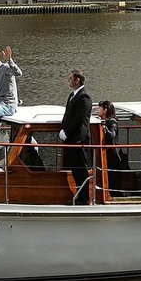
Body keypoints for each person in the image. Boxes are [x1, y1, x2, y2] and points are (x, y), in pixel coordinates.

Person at [59, 69, 92, 200]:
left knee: (81, 169)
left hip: (79, 140)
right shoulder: (72, 96)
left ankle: (84, 197)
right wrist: (62, 129)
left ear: (77, 80)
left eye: (70, 78)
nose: (68, 81)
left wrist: (67, 132)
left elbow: (79, 119)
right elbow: (68, 116)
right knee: (74, 169)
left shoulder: (84, 98)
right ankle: (79, 194)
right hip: (71, 139)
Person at [97, 99, 131, 193]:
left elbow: (111, 135)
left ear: (105, 110)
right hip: (109, 155)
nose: (97, 110)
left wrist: (103, 127)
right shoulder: (106, 122)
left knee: (113, 178)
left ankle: (115, 194)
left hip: (113, 156)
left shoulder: (112, 122)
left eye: (99, 108)